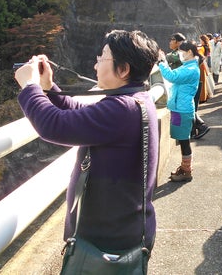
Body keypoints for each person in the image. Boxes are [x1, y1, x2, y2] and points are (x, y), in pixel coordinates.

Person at [14, 30, 160, 259]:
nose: (95, 65)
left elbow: (54, 125)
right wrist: (48, 87)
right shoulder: (137, 99)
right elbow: (82, 115)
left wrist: (30, 86)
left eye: (102, 58)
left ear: (123, 69)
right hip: (122, 228)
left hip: (107, 244)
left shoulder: (122, 108)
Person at [159, 41, 200, 181]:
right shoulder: (188, 66)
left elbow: (172, 76)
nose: (179, 55)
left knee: (184, 141)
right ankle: (184, 168)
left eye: (181, 52)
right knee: (182, 139)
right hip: (178, 109)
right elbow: (174, 75)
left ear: (189, 52)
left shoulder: (191, 69)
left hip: (182, 110)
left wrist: (161, 62)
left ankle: (186, 171)